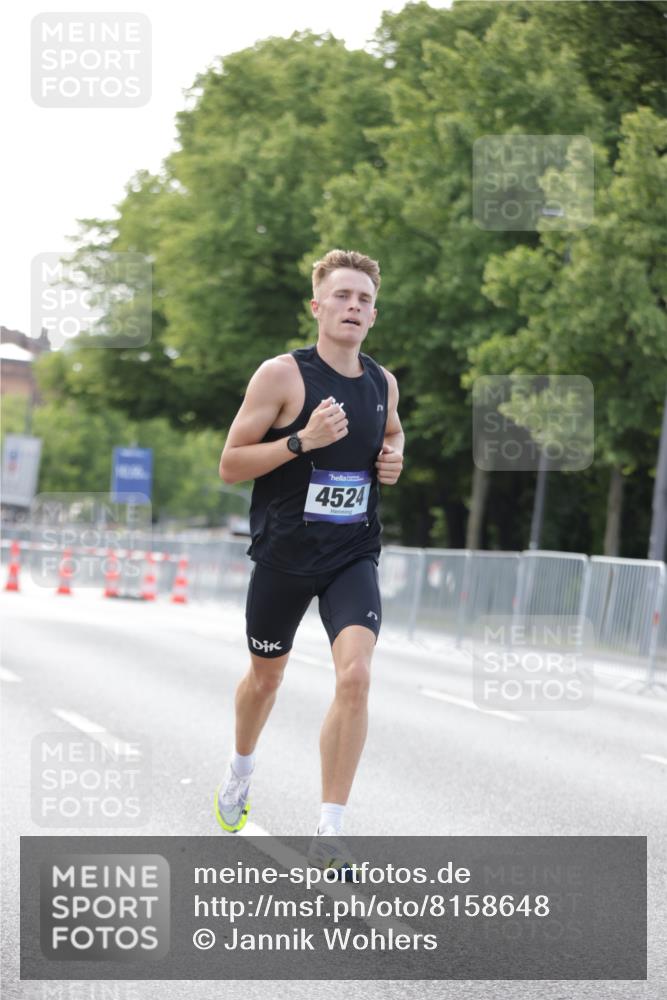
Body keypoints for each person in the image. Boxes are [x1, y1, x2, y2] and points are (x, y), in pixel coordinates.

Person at [215, 248, 404, 849]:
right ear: (317, 307)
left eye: (364, 299)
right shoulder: (281, 376)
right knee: (265, 679)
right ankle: (241, 768)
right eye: (342, 296)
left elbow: (393, 432)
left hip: (352, 553)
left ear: (373, 315)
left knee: (356, 676)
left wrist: (395, 457)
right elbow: (230, 464)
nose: (353, 306)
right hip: (285, 556)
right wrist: (302, 441)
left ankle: (330, 829)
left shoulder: (382, 383)